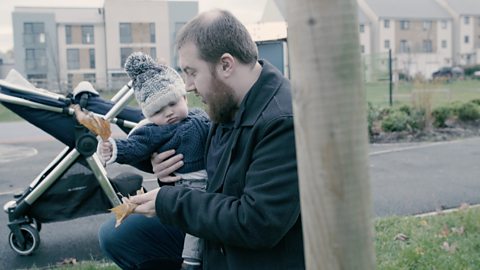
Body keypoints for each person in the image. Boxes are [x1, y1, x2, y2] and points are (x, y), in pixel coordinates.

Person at [98, 9, 305, 270]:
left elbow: (257, 223)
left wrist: (170, 201)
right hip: (219, 227)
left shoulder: (281, 121)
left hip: (257, 253)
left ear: (226, 65)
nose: (187, 85)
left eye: (192, 72)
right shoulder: (230, 101)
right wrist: (165, 166)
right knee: (120, 236)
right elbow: (211, 164)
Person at [98, 51, 210, 269]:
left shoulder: (201, 117)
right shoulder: (158, 131)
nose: (169, 113)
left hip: (211, 187)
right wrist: (113, 148)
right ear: (149, 115)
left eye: (173, 103)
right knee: (194, 232)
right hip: (188, 187)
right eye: (158, 110)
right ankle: (191, 260)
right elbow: (136, 146)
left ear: (184, 98)